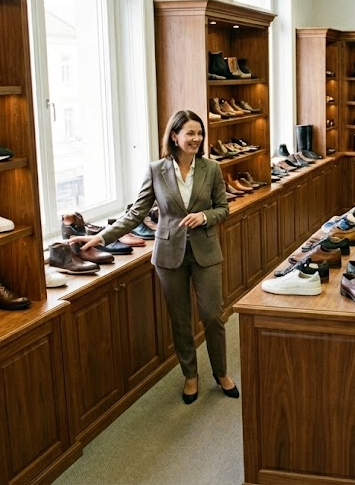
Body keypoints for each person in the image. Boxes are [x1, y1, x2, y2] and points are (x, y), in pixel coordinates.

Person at [69, 110, 237, 404]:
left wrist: (204, 216)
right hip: (169, 255)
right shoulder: (156, 170)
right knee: (180, 320)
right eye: (190, 133)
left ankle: (220, 372)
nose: (196, 138)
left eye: (199, 133)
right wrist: (100, 237)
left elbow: (223, 208)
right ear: (174, 136)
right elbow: (137, 213)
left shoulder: (211, 168)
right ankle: (190, 376)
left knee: (212, 315)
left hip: (206, 252)